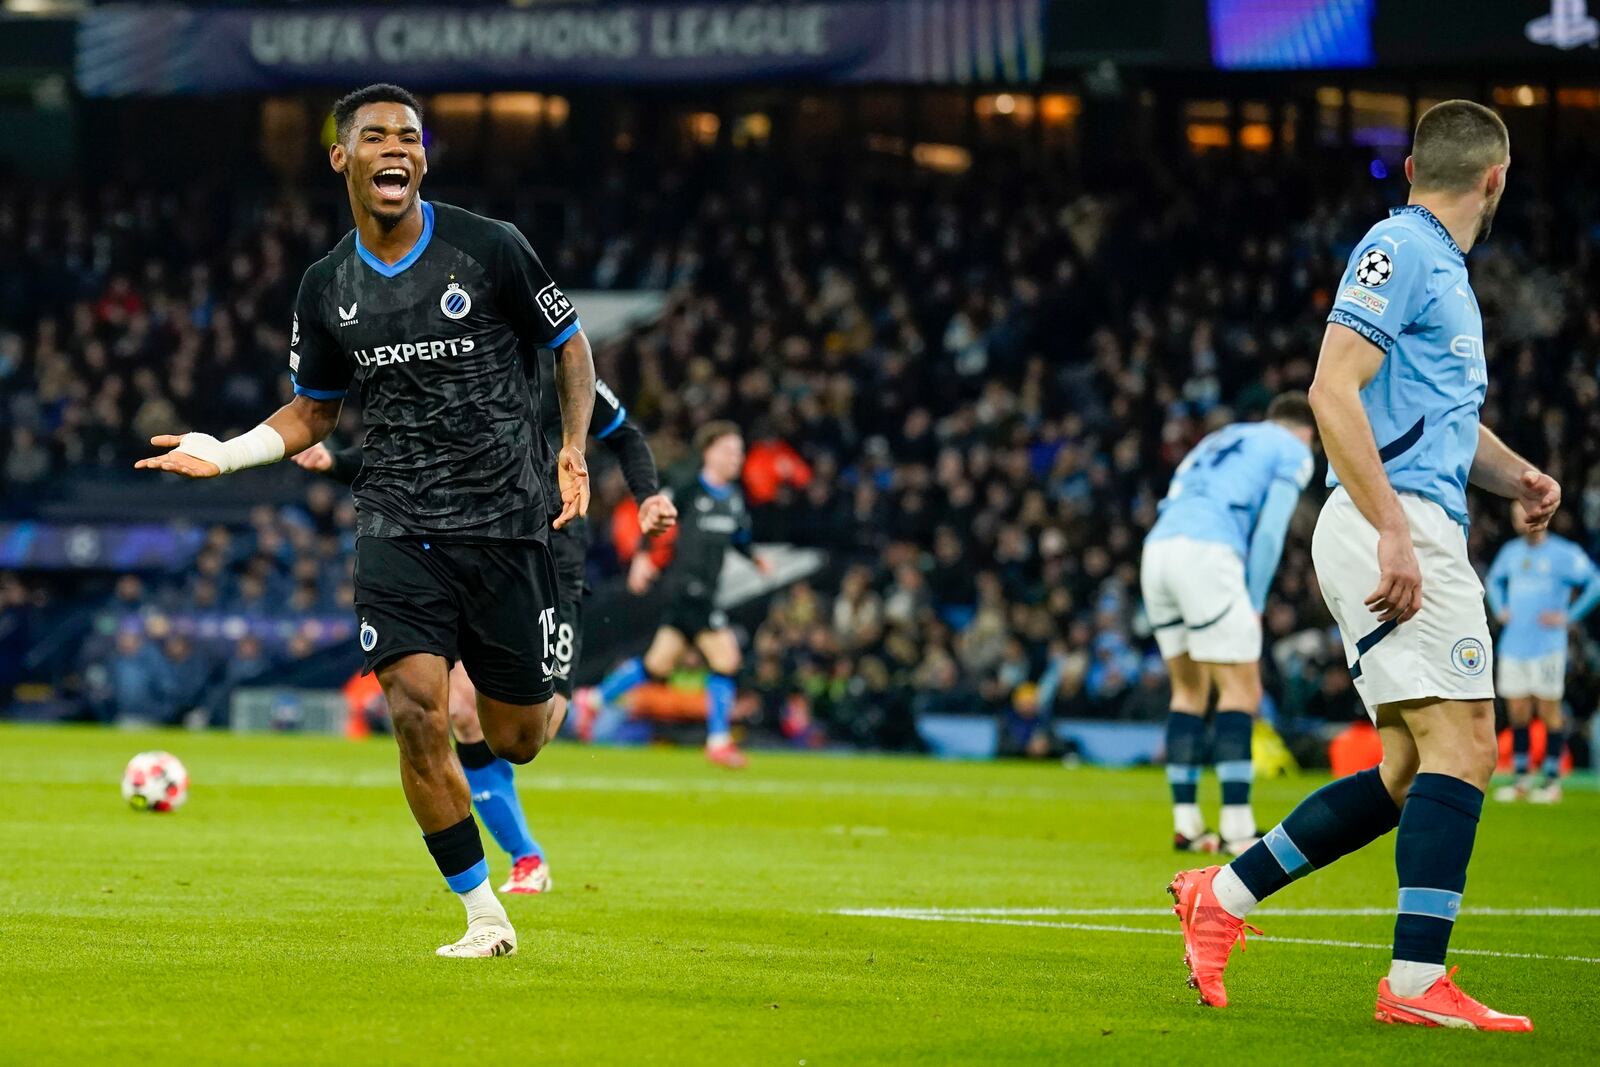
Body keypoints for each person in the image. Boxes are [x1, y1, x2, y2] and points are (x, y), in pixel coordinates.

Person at [135, 84, 597, 959]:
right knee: (416, 710)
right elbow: (314, 411)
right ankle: (483, 913)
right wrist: (227, 451)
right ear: (343, 158)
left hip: (505, 524)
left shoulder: (489, 249)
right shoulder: (326, 287)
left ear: (423, 158)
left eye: (411, 137)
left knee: (516, 738)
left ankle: (549, 691)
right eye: (377, 135)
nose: (397, 147)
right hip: (396, 524)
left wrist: (572, 446)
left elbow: (567, 344)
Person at [1170, 100, 1553, 1030]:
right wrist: (1390, 527)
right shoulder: (1403, 248)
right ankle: (1416, 982)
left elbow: (1443, 428)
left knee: (1407, 768)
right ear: (1495, 178)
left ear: (1419, 164)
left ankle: (1223, 893)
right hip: (1399, 522)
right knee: (1466, 745)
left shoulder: (1443, 272)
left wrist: (1520, 477)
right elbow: (1328, 389)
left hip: (1416, 514)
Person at [296, 368, 675, 892]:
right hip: (484, 553)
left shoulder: (560, 369)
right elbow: (414, 454)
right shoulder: (464, 366)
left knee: (535, 731)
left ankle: (581, 706)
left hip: (553, 558)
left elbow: (626, 434)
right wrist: (336, 462)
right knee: (460, 711)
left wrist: (648, 496)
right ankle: (526, 857)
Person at [1141, 393, 1315, 855]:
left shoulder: (1224, 437)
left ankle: (1187, 823)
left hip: (1157, 550)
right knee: (1242, 690)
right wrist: (1254, 600)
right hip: (1208, 554)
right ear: (1306, 433)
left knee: (1188, 690)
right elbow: (1272, 530)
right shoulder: (1292, 449)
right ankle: (1238, 827)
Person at [576, 421, 768, 768]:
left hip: (705, 592)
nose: (735, 458)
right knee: (727, 660)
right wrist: (643, 557)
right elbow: (653, 517)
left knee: (657, 664)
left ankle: (594, 699)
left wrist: (755, 557)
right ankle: (719, 741)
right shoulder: (688, 487)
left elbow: (739, 538)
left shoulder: (734, 499)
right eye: (728, 450)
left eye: (738, 452)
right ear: (708, 452)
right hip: (687, 590)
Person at [1485, 502, 1600, 804]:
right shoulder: (1511, 552)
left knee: (1549, 712)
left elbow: (1595, 582)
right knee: (1518, 713)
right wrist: (1500, 608)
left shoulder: (1563, 553)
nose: (1523, 520)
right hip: (1513, 644)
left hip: (1548, 645)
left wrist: (1570, 615)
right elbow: (1493, 581)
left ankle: (1551, 781)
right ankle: (1522, 780)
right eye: (1517, 516)